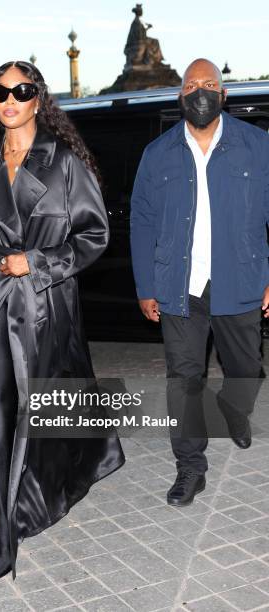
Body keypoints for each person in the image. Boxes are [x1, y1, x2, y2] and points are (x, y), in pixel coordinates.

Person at [0, 60, 125, 581]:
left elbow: (93, 237)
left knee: (38, 408)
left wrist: (37, 261)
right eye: (0, 93)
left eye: (21, 90)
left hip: (44, 302)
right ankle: (4, 523)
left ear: (38, 99)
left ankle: (47, 485)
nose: (10, 100)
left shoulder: (64, 162)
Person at [130, 58, 269, 507]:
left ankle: (234, 407)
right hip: (179, 286)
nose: (202, 91)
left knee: (246, 369)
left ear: (225, 94)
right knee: (183, 380)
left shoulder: (257, 146)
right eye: (193, 84)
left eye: (211, 83)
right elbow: (142, 221)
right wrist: (146, 285)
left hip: (241, 280)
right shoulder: (158, 153)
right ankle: (190, 466)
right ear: (181, 96)